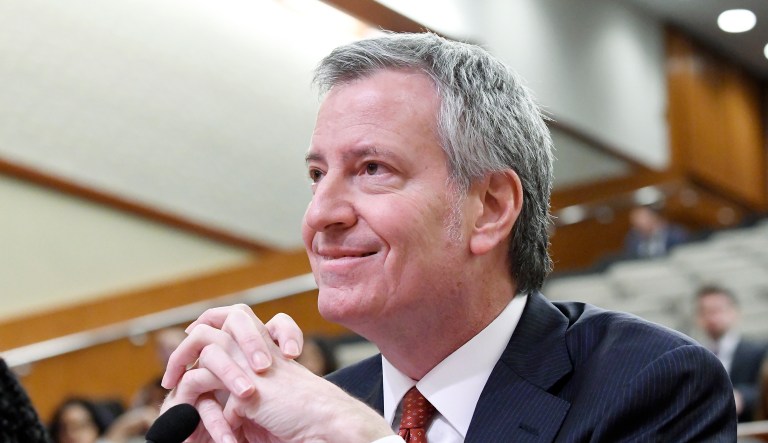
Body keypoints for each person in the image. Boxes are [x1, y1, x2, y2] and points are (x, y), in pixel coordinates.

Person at [160, 32, 736, 442]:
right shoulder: (305, 411)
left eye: (372, 169)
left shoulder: (652, 384)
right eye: (317, 175)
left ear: (489, 207)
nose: (320, 213)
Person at [695, 284, 768, 422]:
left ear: (734, 312)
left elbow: (763, 390)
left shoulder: (757, 351)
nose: (711, 317)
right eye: (705, 312)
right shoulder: (693, 355)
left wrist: (741, 397)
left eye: (717, 310)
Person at [623, 205, 689, 259]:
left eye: (641, 220)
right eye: (635, 223)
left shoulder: (675, 234)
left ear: (654, 218)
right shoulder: (633, 237)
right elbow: (631, 258)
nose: (637, 226)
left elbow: (683, 254)